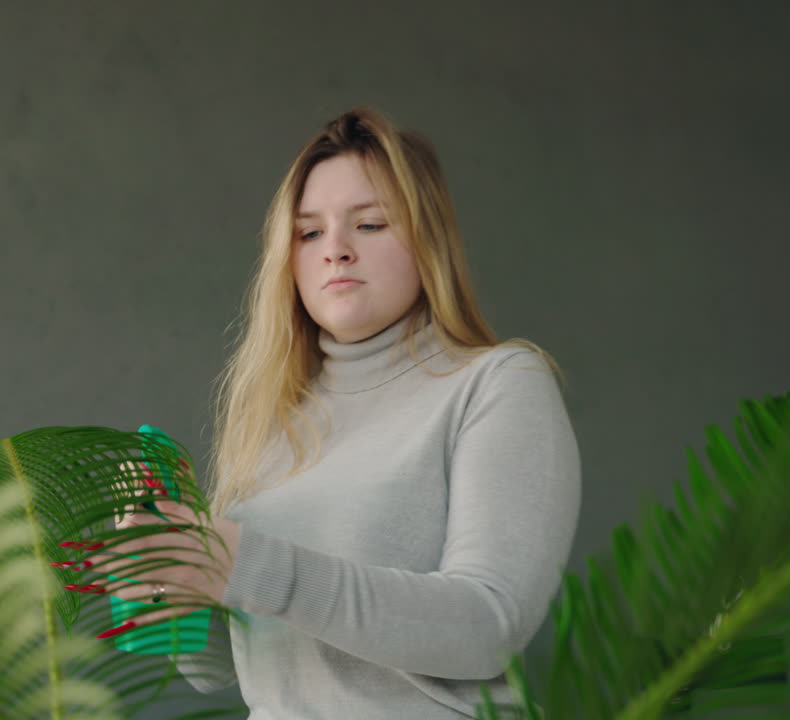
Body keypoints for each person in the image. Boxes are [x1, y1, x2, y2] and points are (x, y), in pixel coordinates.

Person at [66, 107, 581, 719]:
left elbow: (487, 628)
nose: (335, 250)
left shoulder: (496, 384)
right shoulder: (275, 418)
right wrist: (171, 582)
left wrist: (245, 561)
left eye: (369, 224)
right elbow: (235, 666)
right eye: (309, 233)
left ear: (429, 240)